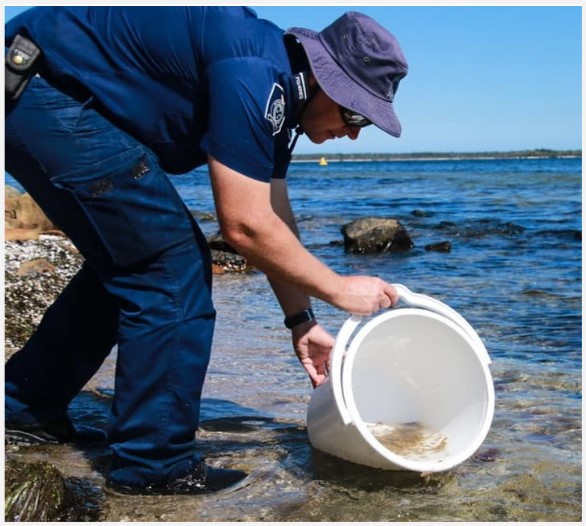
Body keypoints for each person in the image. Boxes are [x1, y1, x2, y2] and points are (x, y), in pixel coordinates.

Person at [4, 7, 408, 495]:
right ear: (327, 80)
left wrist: (301, 320)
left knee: (136, 259)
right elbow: (243, 227)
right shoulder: (257, 74)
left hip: (40, 84)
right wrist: (340, 288)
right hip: (39, 83)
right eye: (355, 113)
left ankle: (25, 407)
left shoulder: (280, 90)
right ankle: (153, 466)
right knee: (171, 269)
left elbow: (271, 215)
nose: (354, 132)